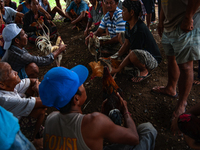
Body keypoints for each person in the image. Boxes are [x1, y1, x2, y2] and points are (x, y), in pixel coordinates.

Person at [39, 65, 157, 150]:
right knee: (147, 129)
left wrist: (103, 120)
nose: (84, 85)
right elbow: (134, 138)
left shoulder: (50, 119)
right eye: (81, 84)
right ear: (76, 99)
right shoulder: (94, 122)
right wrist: (125, 110)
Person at [151, 0, 200, 134]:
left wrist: (188, 17)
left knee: (185, 65)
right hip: (170, 23)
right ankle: (171, 88)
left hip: (185, 23)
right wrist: (161, 21)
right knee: (171, 57)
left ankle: (182, 104)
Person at [110, 0, 161, 83]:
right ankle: (131, 60)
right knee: (121, 35)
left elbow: (132, 53)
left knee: (133, 54)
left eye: (124, 10)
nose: (122, 12)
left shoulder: (139, 29)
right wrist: (114, 56)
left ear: (132, 12)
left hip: (152, 59)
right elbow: (126, 43)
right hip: (139, 51)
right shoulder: (127, 24)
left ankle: (144, 70)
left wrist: (118, 69)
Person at [0, 62, 47, 141]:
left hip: (16, 117)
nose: (16, 72)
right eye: (10, 72)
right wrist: (38, 90)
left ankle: (35, 129)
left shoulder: (8, 85)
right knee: (41, 109)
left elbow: (32, 81)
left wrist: (36, 84)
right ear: (1, 85)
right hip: (12, 132)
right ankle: (32, 140)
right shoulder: (5, 99)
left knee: (31, 87)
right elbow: (45, 102)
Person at [1, 23, 66, 79]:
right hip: (8, 80)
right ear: (17, 41)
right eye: (23, 34)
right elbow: (43, 61)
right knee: (33, 67)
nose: (26, 35)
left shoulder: (13, 47)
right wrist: (59, 50)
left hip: (10, 73)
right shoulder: (20, 55)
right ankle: (31, 88)